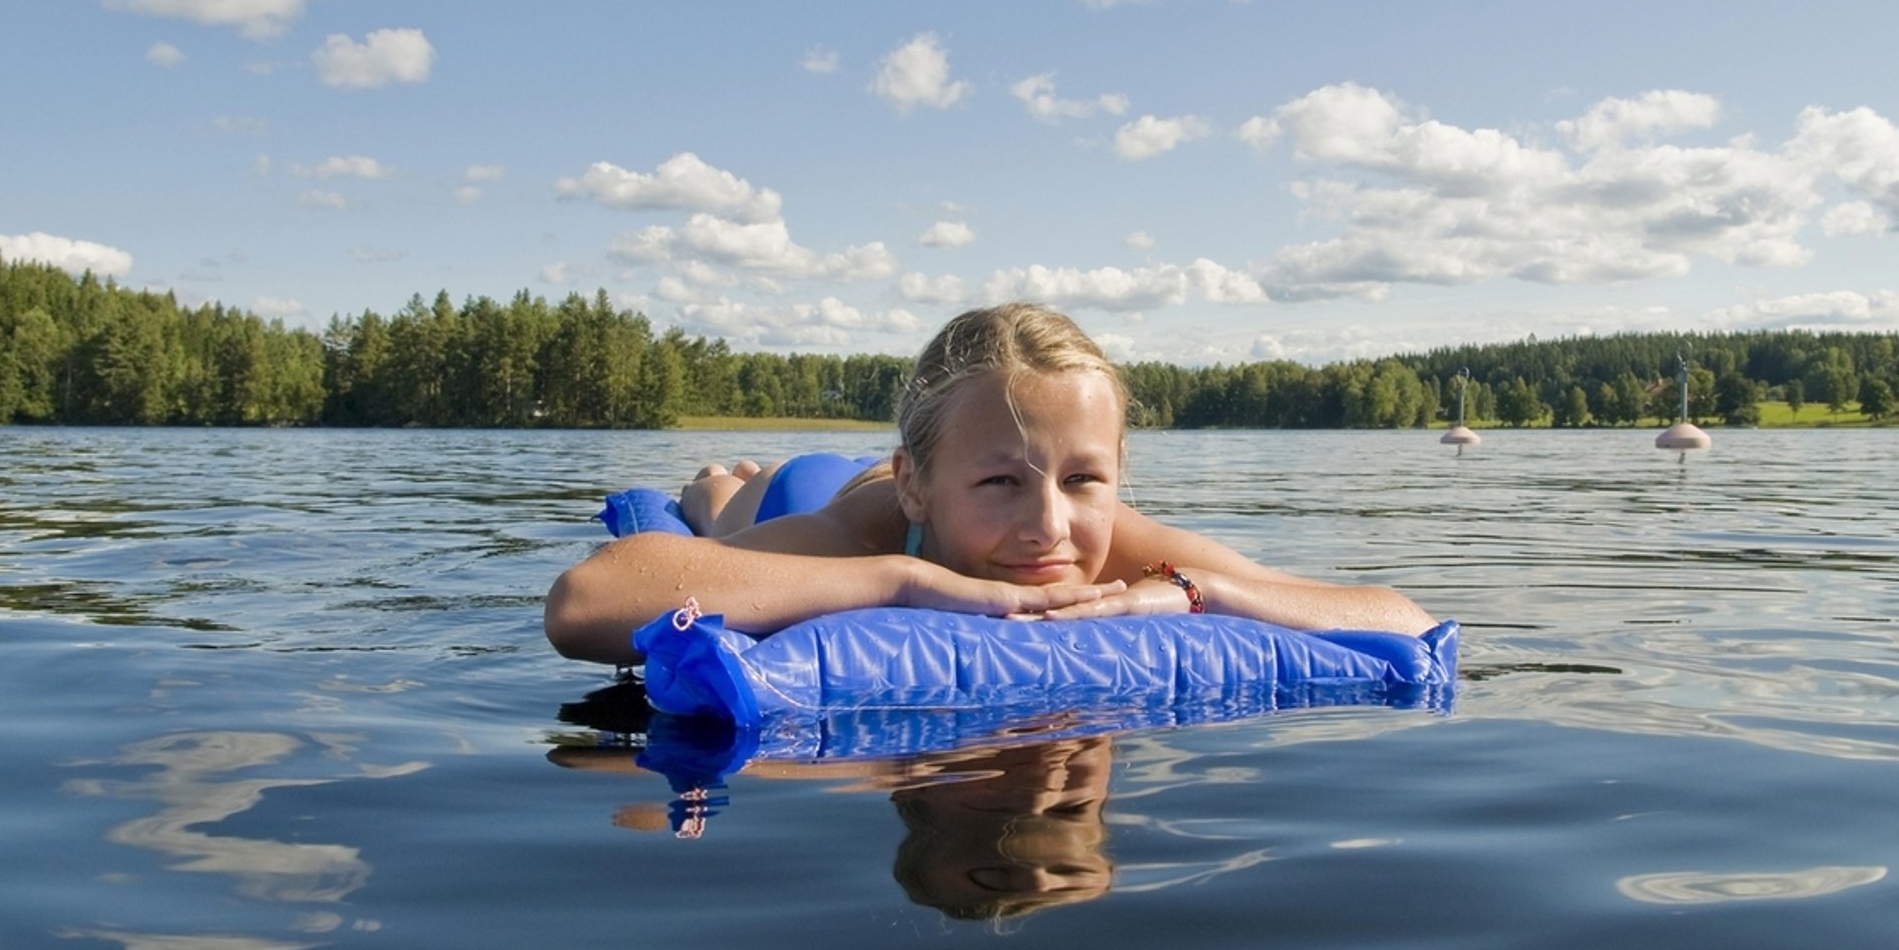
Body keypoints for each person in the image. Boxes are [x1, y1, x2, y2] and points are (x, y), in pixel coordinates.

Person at [545, 303, 1433, 665]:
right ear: (920, 487)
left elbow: (1408, 619)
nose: (1050, 525)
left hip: (911, 481)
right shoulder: (871, 531)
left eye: (1085, 476)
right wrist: (902, 576)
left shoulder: (1115, 541)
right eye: (1003, 480)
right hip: (818, 493)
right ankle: (717, 481)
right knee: (733, 503)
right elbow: (588, 599)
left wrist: (1199, 594)